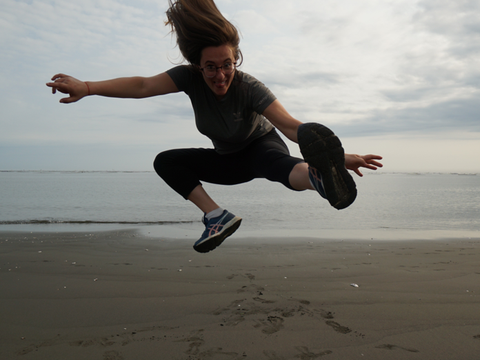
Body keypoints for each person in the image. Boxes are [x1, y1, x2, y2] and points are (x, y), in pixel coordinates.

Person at [47, 0, 383, 253]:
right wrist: (87, 87)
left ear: (235, 59)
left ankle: (319, 178)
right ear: (197, 65)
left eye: (227, 65)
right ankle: (216, 217)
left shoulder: (249, 87)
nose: (220, 75)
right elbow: (142, 86)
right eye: (210, 67)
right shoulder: (188, 79)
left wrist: (336, 158)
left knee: (277, 165)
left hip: (261, 145)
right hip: (227, 160)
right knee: (166, 161)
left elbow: (292, 127)